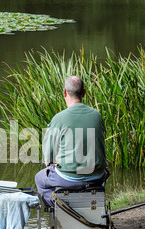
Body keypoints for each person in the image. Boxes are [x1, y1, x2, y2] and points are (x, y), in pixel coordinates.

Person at [35, 76, 108, 207]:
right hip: (96, 177)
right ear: (84, 93)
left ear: (64, 92)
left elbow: (49, 157)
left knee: (40, 179)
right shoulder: (96, 115)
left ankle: (59, 211)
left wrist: (49, 161)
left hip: (68, 178)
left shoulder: (58, 118)